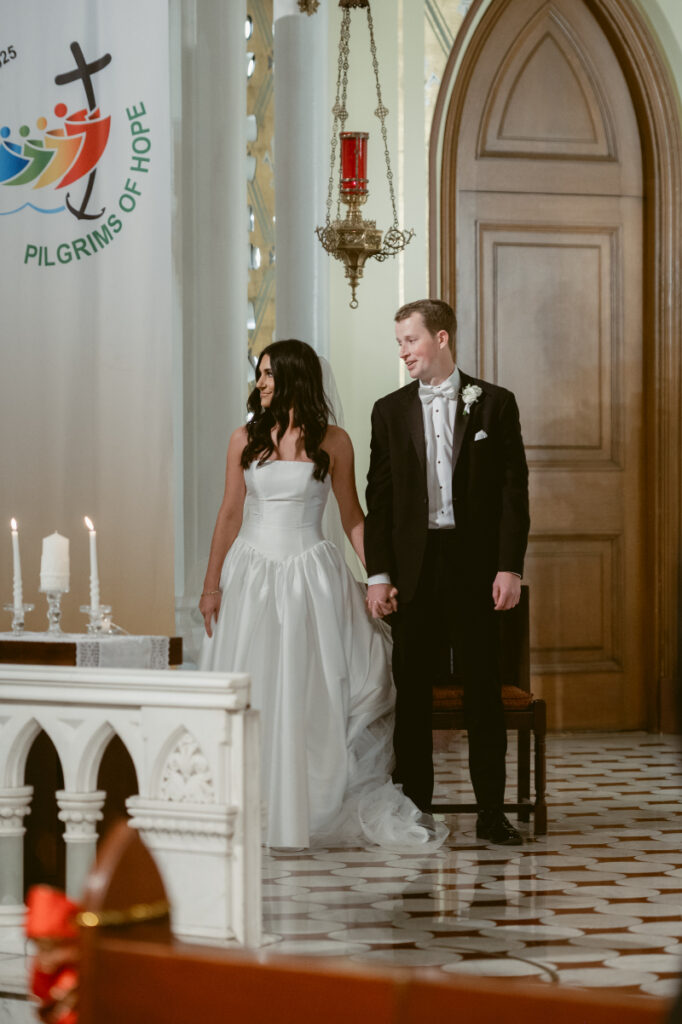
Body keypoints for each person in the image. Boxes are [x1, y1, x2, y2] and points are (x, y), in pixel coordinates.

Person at [199, 339, 447, 852]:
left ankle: (309, 801)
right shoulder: (244, 438)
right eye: (260, 373)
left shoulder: (334, 441)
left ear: (295, 376)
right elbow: (229, 513)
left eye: (269, 373)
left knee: (312, 688)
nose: (261, 382)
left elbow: (352, 514)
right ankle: (250, 803)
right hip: (252, 577)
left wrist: (377, 575)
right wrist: (210, 585)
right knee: (256, 686)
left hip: (310, 576)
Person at [365, 299, 530, 846]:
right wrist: (378, 574)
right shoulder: (388, 411)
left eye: (410, 340)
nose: (404, 352)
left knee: (484, 691)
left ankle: (491, 812)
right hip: (413, 570)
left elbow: (513, 494)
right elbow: (380, 501)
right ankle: (416, 811)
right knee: (411, 696)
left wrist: (509, 566)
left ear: (441, 338)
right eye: (399, 343)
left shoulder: (495, 404)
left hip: (475, 567)